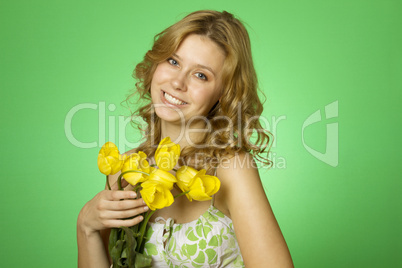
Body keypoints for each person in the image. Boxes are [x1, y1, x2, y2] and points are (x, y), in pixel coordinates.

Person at [77, 10, 294, 268]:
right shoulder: (126, 169)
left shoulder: (232, 170)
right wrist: (86, 226)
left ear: (223, 94)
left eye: (201, 75)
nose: (178, 82)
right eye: (173, 61)